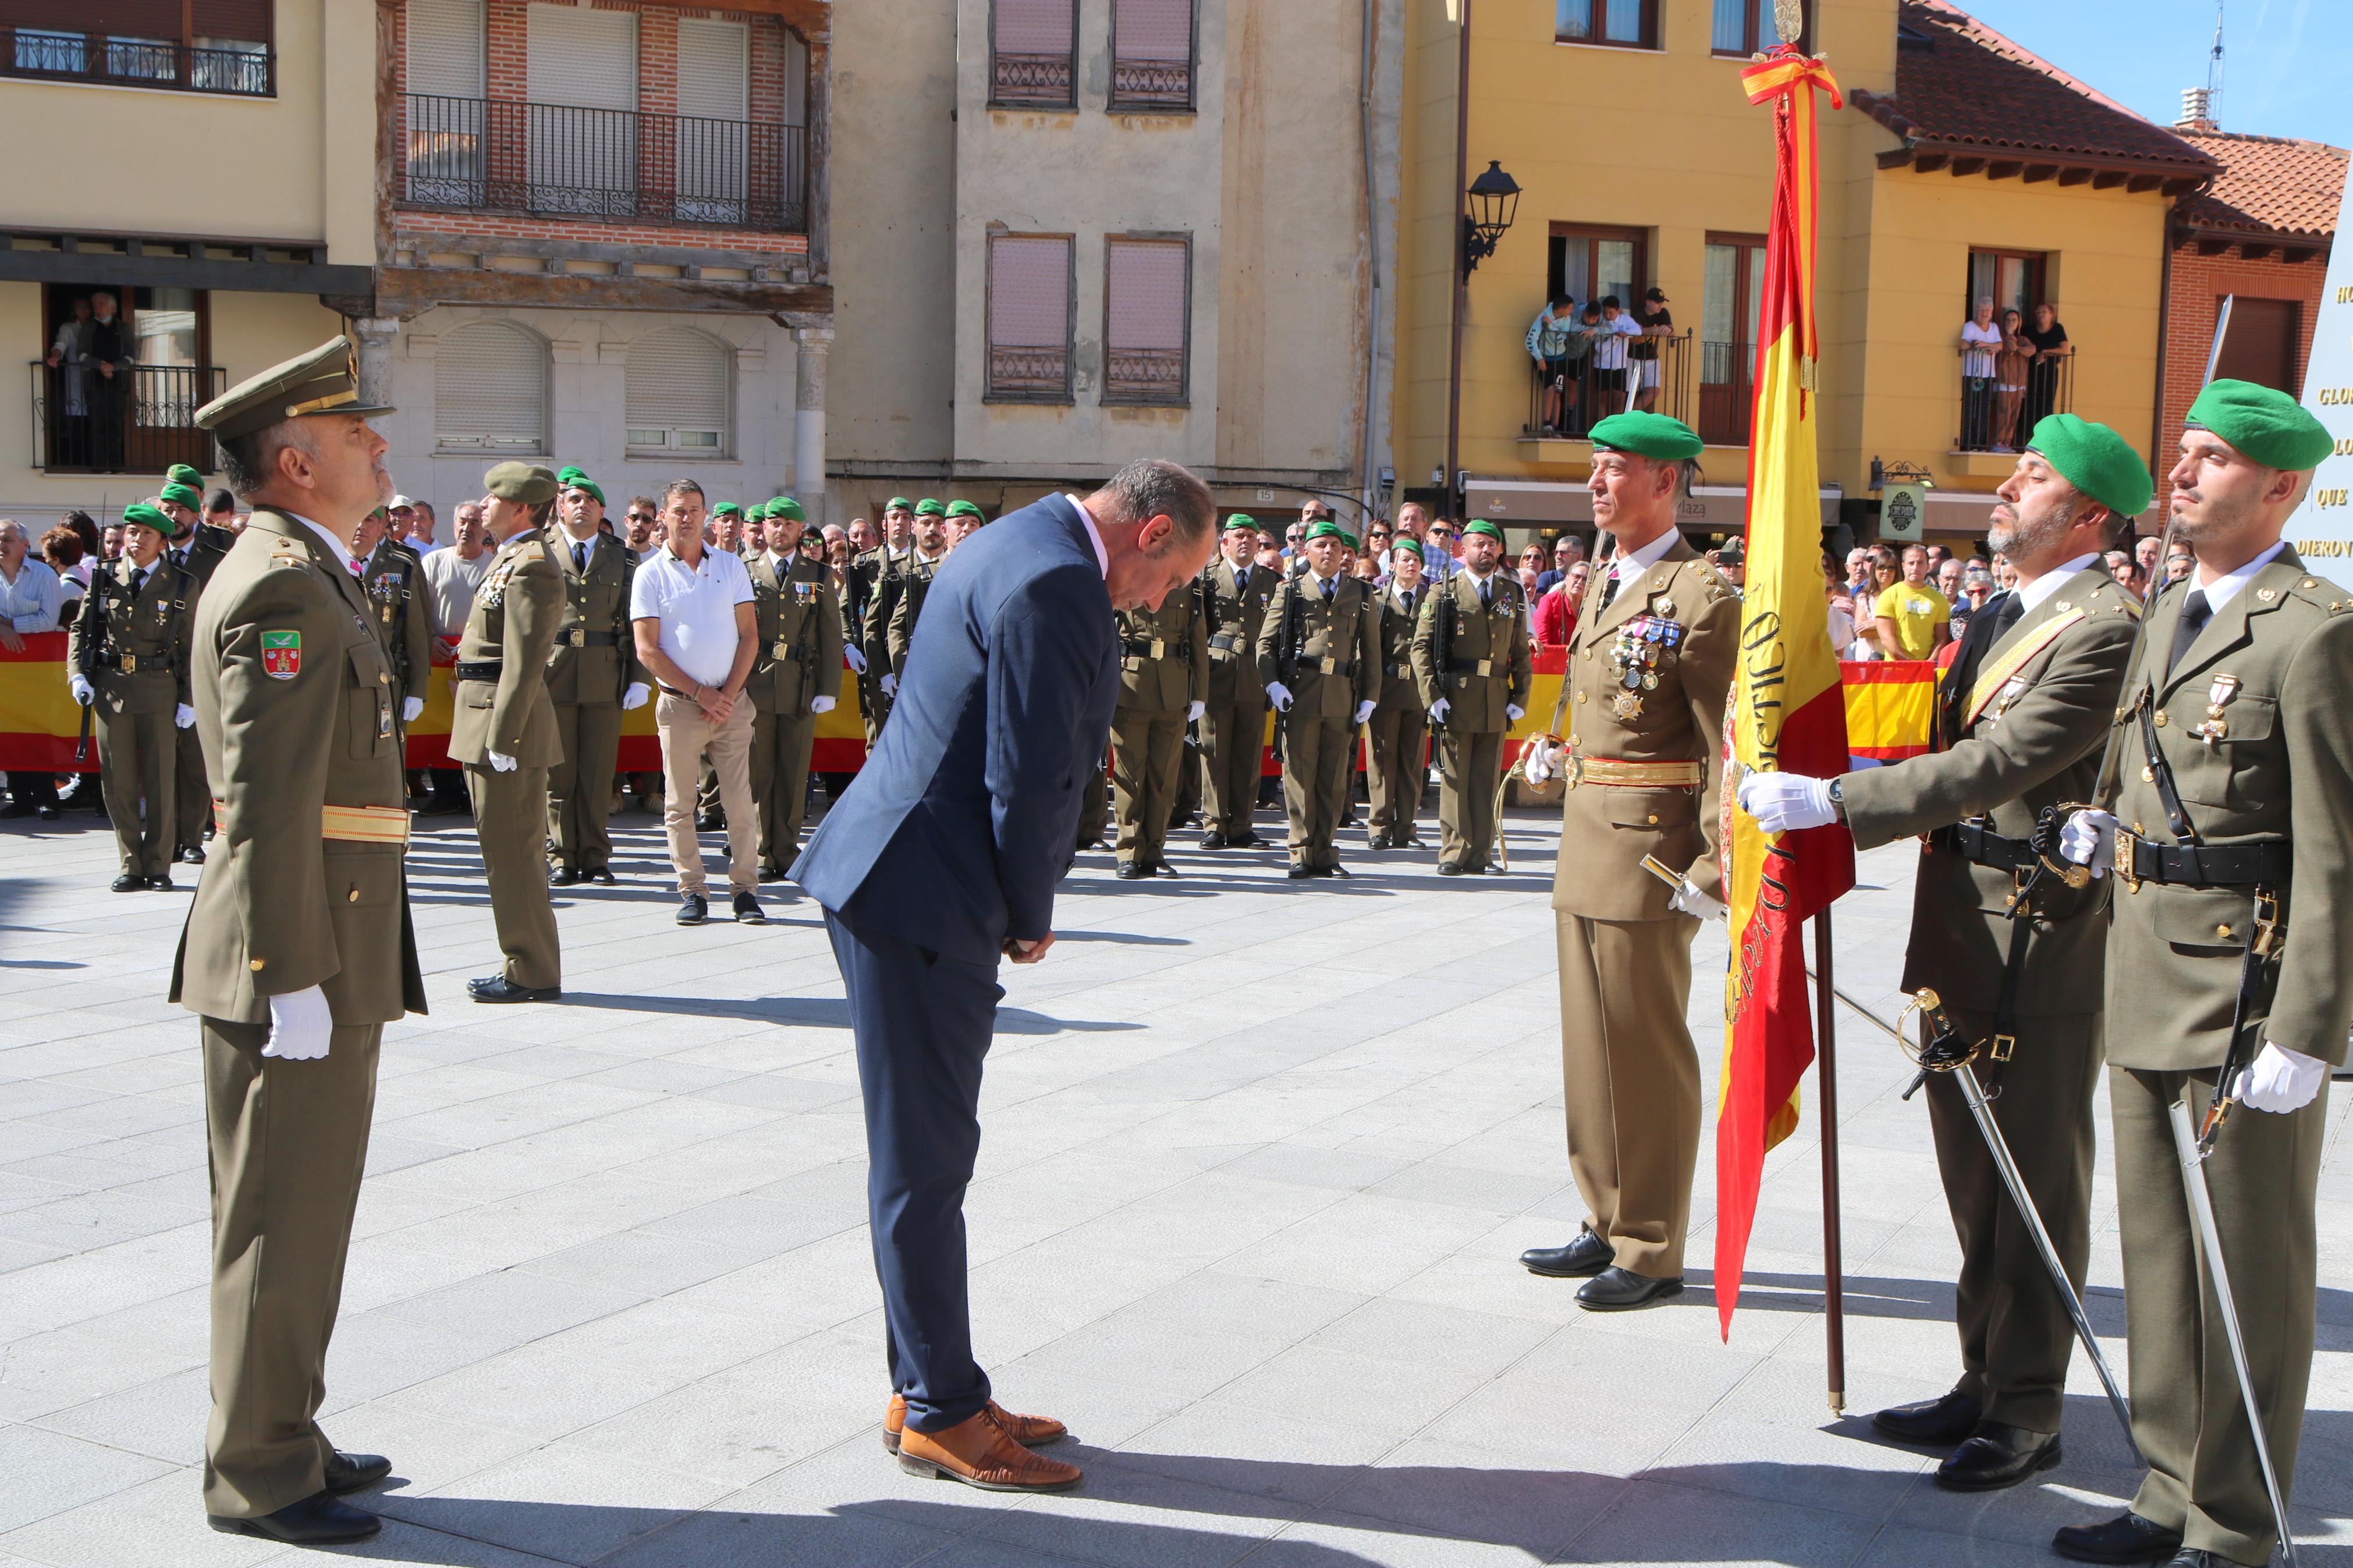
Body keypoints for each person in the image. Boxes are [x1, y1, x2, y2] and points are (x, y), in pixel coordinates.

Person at [1741, 413, 2149, 1492]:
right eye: (2015, 470)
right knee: (1972, 1176)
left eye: (2033, 477)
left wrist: (1836, 802)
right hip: (1961, 925)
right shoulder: (2010, 610)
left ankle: (2026, 1409)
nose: (2008, 488)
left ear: (2088, 516)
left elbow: (2002, 759)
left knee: (2030, 1182)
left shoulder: (2104, 625)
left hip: (2035, 941)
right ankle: (1981, 1379)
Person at [792, 458, 1217, 1494]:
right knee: (927, 1162)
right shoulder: (1055, 579)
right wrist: (1031, 909)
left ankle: (929, 1384)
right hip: (923, 890)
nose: (1164, 602)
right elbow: (1026, 770)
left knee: (922, 1155)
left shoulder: (1016, 535)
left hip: (894, 869)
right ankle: (941, 1411)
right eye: (1176, 576)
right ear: (1150, 532)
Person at [2056, 382, 2344, 1568]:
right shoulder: (2169, 605)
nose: (2178, 475)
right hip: (2139, 974)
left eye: (2209, 459)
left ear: (2276, 488)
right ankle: (2165, 1488)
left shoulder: (2310, 628)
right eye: (2179, 454)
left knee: (2247, 1272)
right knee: (2157, 1259)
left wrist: (2305, 1028)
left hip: (2238, 996)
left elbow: (2335, 849)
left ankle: (2233, 1526)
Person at [176, 335, 421, 1547]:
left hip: (326, 938)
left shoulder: (310, 568)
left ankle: (288, 1426)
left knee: (302, 1212)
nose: (377, 444)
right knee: (279, 1214)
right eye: (352, 433)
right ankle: (258, 1469)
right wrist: (293, 975)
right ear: (293, 461)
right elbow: (266, 800)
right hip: (299, 952)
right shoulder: (282, 582)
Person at [1516, 410, 1737, 1311]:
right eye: (1594, 467)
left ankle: (1651, 1242)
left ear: (1665, 482)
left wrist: (1718, 862)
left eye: (1616, 470)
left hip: (1651, 852)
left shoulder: (1700, 593)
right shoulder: (1607, 577)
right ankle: (1604, 1212)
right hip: (1586, 838)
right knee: (1589, 1047)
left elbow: (1728, 741)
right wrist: (1554, 754)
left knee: (1644, 1051)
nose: (1596, 484)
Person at [450, 464, 565, 1001]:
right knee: (503, 851)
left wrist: (503, 738)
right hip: (486, 713)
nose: (483, 503)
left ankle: (530, 968)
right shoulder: (512, 557)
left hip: (503, 722)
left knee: (515, 854)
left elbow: (524, 662)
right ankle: (523, 960)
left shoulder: (533, 566)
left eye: (494, 497)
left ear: (521, 508)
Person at [631, 479, 761, 927]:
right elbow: (647, 650)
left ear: (706, 515)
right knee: (679, 802)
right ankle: (693, 889)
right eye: (678, 510)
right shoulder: (649, 573)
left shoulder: (730, 565)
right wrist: (699, 693)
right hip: (681, 706)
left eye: (694, 509)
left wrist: (725, 695)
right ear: (663, 516)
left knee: (740, 801)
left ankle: (746, 889)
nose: (686, 517)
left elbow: (749, 635)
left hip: (731, 701)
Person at [69, 502, 195, 891]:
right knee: (118, 780)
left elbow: (191, 646)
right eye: (131, 531)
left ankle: (158, 865)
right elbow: (80, 627)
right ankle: (129, 862)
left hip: (158, 687)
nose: (135, 540)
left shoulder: (181, 583)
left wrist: (190, 698)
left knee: (159, 781)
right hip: (111, 687)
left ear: (161, 542)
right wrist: (77, 674)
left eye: (145, 534)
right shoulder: (105, 576)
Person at [1258, 517, 1378, 877]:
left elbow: (1371, 651)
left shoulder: (1361, 593)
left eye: (1335, 546)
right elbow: (1265, 644)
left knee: (1333, 777)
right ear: (1306, 551)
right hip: (1301, 693)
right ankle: (1300, 851)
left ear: (1345, 554)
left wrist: (1370, 696)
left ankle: (1325, 852)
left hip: (1342, 694)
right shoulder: (1290, 590)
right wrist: (1273, 684)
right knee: (1298, 776)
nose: (1329, 551)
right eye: (1321, 545)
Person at [545, 467, 648, 887]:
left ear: (602, 509)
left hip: (605, 675)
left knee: (598, 772)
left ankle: (595, 855)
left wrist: (639, 676)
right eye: (574, 499)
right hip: (553, 673)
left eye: (590, 500)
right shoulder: (540, 550)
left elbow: (636, 620)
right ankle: (561, 855)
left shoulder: (623, 556)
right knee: (558, 774)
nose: (581, 505)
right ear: (559, 506)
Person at [1414, 518, 1531, 874]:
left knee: (1485, 780)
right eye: (1479, 545)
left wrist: (1520, 697)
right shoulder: (1444, 592)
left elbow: (1520, 651)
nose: (1487, 551)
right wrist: (1433, 695)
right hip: (1458, 695)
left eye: (1492, 545)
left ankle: (1481, 853)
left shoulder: (1510, 594)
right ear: (1462, 550)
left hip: (1494, 697)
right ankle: (1453, 853)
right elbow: (1421, 648)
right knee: (1455, 781)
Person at [744, 497, 841, 881]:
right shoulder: (746, 570)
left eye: (788, 523)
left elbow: (830, 635)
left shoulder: (817, 573)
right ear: (763, 528)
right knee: (757, 769)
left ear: (800, 530)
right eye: (773, 522)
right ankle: (759, 847)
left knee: (793, 770)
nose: (779, 529)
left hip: (800, 683)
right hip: (754, 681)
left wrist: (828, 687)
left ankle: (784, 848)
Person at [1109, 552, 1207, 878]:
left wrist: (1199, 694)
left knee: (1164, 777)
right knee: (1129, 774)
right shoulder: (1123, 578)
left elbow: (1197, 641)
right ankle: (1128, 850)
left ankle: (1155, 850)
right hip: (1131, 685)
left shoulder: (1188, 585)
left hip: (1174, 688)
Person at [1198, 514, 1279, 849]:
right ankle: (1215, 823)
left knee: (1248, 752)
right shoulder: (1207, 579)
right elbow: (1197, 631)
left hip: (1254, 676)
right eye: (1238, 536)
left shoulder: (1272, 582)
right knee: (1214, 751)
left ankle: (1242, 824)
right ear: (1224, 543)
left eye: (1251, 536)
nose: (1245, 541)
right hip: (1217, 673)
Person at [417, 501, 495, 815]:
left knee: (474, 728)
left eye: (475, 522)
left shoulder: (495, 565)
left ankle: (474, 792)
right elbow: (419, 612)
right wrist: (429, 638)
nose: (468, 527)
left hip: (478, 661)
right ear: (453, 526)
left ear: (485, 528)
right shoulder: (433, 562)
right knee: (441, 728)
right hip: (438, 659)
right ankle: (447, 792)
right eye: (463, 521)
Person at [1, 518, 70, 817]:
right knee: (9, 729)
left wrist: (9, 626)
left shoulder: (43, 574)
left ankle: (46, 798)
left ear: (25, 546)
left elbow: (47, 619)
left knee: (38, 731)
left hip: (38, 670)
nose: (1, 545)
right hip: (6, 672)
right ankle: (21, 800)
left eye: (6, 540)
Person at [1365, 541, 1430, 849]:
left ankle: (1406, 826)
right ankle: (1379, 826)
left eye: (1416, 560)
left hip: (1418, 691)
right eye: (1405, 559)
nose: (1412, 565)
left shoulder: (1431, 601)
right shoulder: (1378, 600)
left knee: (1412, 761)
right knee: (1381, 759)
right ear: (1392, 565)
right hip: (1386, 690)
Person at [885, 500, 953, 680]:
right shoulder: (895, 567)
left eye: (939, 523)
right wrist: (887, 671)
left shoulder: (955, 566)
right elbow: (884, 625)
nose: (933, 529)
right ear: (913, 528)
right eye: (926, 523)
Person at [1876, 543, 1951, 661]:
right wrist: (1909, 665)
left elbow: (1941, 639)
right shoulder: (1888, 596)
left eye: (1921, 563)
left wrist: (1927, 665)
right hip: (1895, 670)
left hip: (1926, 671)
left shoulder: (1940, 600)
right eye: (1911, 563)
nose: (1915, 568)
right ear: (1903, 566)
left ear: (1927, 566)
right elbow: (1887, 638)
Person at [1526, 294, 1578, 434]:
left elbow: (1561, 338)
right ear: (1561, 309)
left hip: (1560, 358)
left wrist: (1550, 325)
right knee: (1549, 389)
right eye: (1569, 309)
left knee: (1558, 391)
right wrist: (1539, 358)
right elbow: (1530, 341)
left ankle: (1556, 427)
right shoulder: (1542, 317)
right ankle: (1546, 423)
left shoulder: (1566, 319)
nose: (1571, 312)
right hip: (1546, 359)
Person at [1960, 297, 2003, 450]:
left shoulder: (1994, 327)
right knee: (1969, 408)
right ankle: (1968, 443)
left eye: (1987, 310)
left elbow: (2000, 345)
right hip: (1971, 375)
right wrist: (1975, 345)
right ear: (1977, 311)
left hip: (1988, 375)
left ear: (1991, 312)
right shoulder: (1970, 326)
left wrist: (1986, 345)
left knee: (1984, 409)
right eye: (1981, 310)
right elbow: (1963, 344)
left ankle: (1981, 443)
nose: (1984, 313)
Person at [2021, 303, 2071, 432]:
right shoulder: (2029, 330)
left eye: (2044, 312)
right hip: (2031, 370)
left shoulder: (2057, 329)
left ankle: (2045, 432)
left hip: (2049, 371)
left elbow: (2064, 349)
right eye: (2038, 312)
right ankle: (2028, 433)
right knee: (2030, 401)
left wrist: (2044, 352)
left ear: (2052, 315)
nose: (2040, 315)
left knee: (2047, 401)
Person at [1992, 307, 2031, 452]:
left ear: (2019, 323)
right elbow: (2009, 347)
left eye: (2014, 320)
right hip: (2004, 381)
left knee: (2014, 415)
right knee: (2004, 412)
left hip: (2019, 383)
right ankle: (1998, 441)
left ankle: (2008, 442)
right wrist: (2009, 336)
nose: (2011, 323)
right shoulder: (2001, 337)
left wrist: (2018, 349)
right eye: (2008, 320)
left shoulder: (2023, 339)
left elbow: (2031, 350)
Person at [1630, 286, 1673, 414]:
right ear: (1648, 302)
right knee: (1630, 392)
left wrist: (1669, 330)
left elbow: (1672, 330)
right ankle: (1625, 418)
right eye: (1657, 302)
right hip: (1632, 357)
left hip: (1652, 357)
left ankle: (1630, 415)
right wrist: (1654, 330)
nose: (1660, 305)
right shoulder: (1637, 312)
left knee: (1654, 391)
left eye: (1662, 302)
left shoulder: (1663, 313)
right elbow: (1636, 331)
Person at [1534, 559, 1589, 647]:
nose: (1580, 582)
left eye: (1586, 579)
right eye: (1576, 577)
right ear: (1567, 579)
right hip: (1552, 658)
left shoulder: (1590, 607)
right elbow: (1542, 642)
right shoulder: (1549, 601)